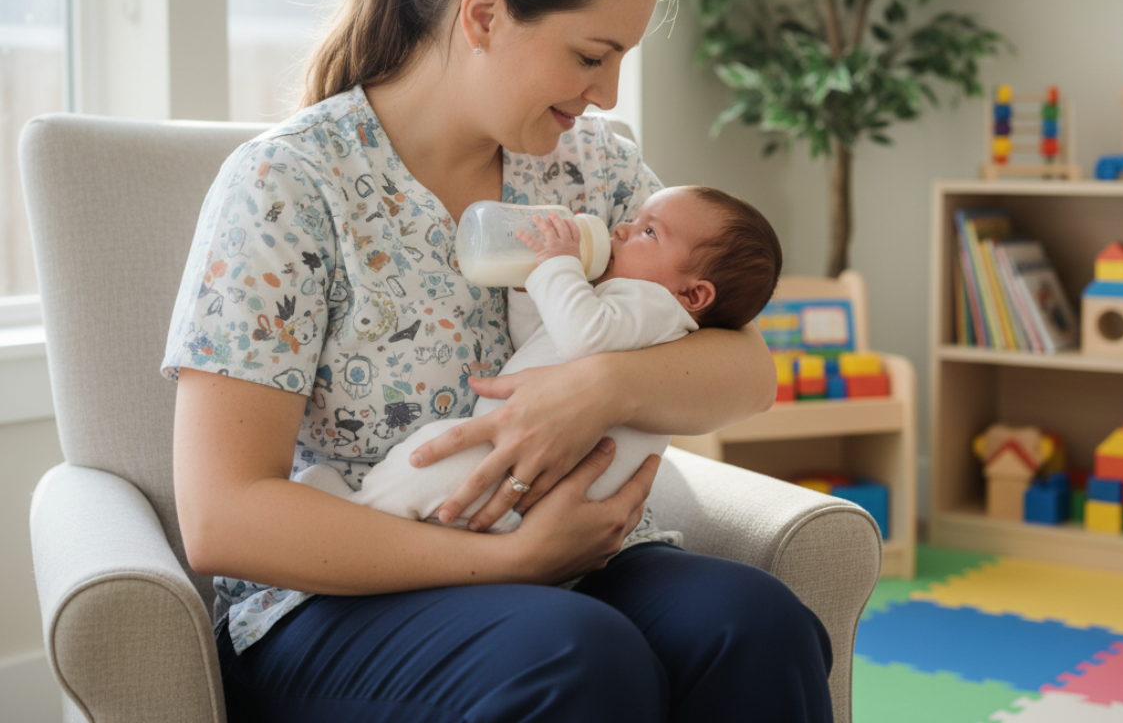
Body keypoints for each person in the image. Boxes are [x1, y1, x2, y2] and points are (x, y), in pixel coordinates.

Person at [165, 0, 833, 722]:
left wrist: (597, 388)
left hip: (576, 556)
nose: (606, 92)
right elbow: (224, 518)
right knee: (578, 656)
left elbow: (746, 372)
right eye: (592, 54)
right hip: (343, 597)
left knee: (757, 623)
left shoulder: (592, 169)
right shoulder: (290, 186)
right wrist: (516, 562)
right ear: (483, 14)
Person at [295, 185, 784, 535]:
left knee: (433, 457)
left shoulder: (656, 308)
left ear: (694, 293)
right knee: (435, 462)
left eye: (648, 233)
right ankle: (362, 509)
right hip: (529, 480)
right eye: (634, 219)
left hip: (529, 476)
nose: (621, 228)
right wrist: (533, 289)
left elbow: (581, 338)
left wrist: (558, 265)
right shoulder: (627, 307)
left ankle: (357, 512)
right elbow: (540, 343)